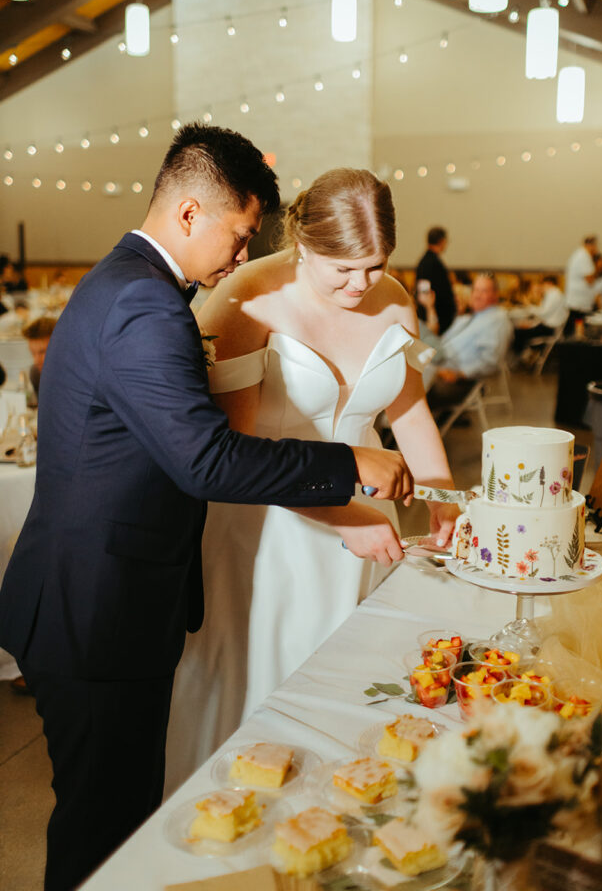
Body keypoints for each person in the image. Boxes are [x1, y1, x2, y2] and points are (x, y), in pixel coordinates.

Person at [0, 125, 412, 891]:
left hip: (94, 598)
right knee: (102, 834)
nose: (243, 256)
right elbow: (206, 458)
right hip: (96, 613)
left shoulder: (124, 283)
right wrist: (348, 463)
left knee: (108, 818)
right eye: (240, 233)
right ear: (189, 213)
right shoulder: (145, 306)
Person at [165, 168, 460, 789]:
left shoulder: (396, 298)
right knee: (277, 676)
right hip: (269, 524)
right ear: (302, 245)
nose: (362, 285)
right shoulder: (249, 295)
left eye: (375, 266)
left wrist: (443, 497)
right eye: (343, 269)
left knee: (357, 681)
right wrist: (344, 517)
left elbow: (408, 410)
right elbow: (236, 451)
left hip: (370, 511)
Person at [426, 273, 513, 411]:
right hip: (436, 368)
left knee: (404, 390)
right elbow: (441, 342)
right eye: (476, 290)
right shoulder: (469, 318)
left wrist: (460, 374)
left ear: (495, 295)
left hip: (459, 380)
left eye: (484, 291)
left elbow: (491, 361)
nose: (477, 295)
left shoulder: (497, 319)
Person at [511, 275, 568, 358]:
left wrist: (529, 307)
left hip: (549, 329)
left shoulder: (553, 294)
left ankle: (519, 357)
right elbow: (545, 313)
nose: (542, 287)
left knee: (518, 332)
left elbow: (543, 313)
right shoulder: (555, 294)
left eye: (543, 284)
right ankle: (524, 355)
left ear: (549, 283)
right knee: (522, 329)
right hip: (550, 327)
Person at [415, 226, 456, 335]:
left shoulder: (426, 261)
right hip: (434, 319)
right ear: (442, 241)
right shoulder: (430, 263)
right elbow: (424, 294)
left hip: (435, 316)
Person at [564, 235, 599, 332]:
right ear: (591, 245)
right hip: (579, 300)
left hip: (578, 299)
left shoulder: (579, 254)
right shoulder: (584, 256)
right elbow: (589, 278)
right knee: (575, 326)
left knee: (574, 324)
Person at [21, 315, 57, 404]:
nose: (36, 361)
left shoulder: (82, 377)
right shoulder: (37, 374)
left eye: (43, 352)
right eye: (33, 353)